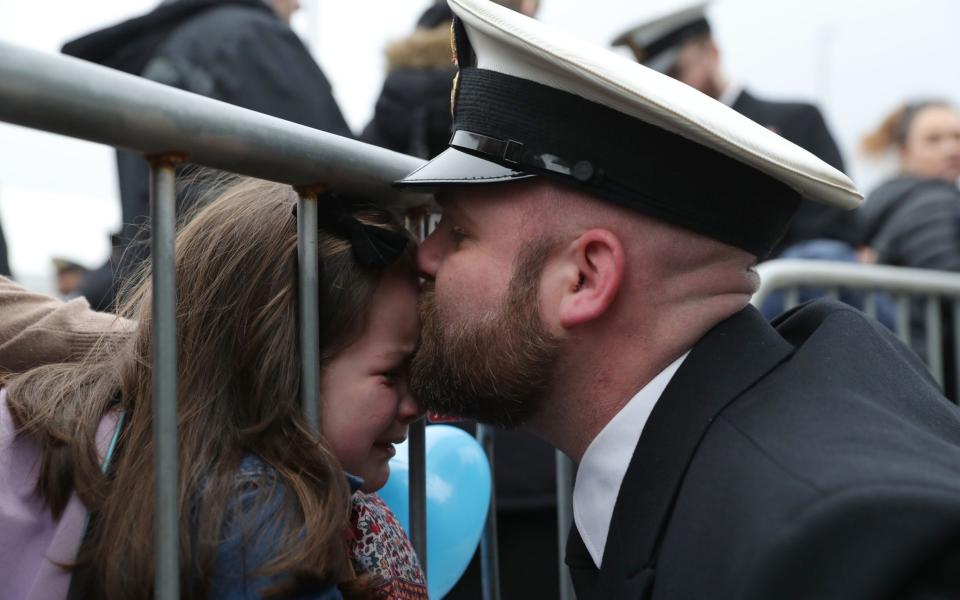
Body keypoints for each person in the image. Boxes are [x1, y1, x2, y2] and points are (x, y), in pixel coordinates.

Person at [396, 1, 960, 597]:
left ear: (585, 279)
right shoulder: (758, 429)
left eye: (457, 235)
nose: (424, 259)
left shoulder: (836, 550)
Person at [0, 178, 426, 599]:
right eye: (390, 374)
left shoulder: (118, 440)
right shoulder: (259, 517)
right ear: (275, 366)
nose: (417, 405)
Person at [62, 0, 353, 311]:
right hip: (251, 302)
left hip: (173, 301)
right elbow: (340, 178)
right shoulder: (250, 37)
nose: (297, 6)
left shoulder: (163, 55)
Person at [612, 1, 857, 256]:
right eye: (658, 80)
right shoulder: (660, 153)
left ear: (712, 52)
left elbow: (834, 226)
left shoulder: (797, 121)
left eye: (675, 72)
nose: (669, 87)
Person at [859, 100, 960, 270]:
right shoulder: (935, 202)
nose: (952, 149)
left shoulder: (885, 201)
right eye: (933, 140)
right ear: (904, 150)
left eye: (957, 137)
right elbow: (943, 273)